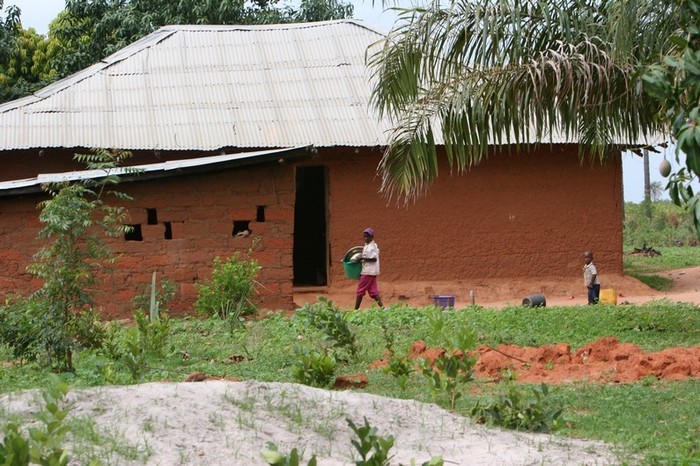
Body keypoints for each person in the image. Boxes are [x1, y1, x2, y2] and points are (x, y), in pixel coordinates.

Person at [355, 228, 384, 310]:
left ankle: (355, 310)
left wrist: (361, 258)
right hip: (371, 272)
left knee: (360, 290)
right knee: (373, 291)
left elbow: (373, 259)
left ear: (372, 237)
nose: (365, 238)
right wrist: (362, 258)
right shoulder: (368, 245)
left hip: (368, 271)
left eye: (367, 237)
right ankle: (383, 308)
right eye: (364, 237)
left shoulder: (371, 246)